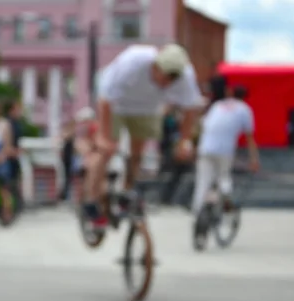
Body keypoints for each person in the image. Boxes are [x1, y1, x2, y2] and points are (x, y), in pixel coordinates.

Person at [84, 44, 204, 229]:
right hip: (116, 104)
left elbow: (189, 110)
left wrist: (184, 141)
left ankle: (126, 191)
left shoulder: (185, 75)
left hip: (146, 109)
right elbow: (105, 100)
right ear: (155, 66)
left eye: (172, 80)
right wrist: (104, 138)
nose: (166, 84)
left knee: (137, 154)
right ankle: (91, 201)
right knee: (105, 151)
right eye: (164, 77)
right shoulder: (134, 61)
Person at [190, 85, 260, 220]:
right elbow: (250, 138)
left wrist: (194, 147)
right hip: (224, 149)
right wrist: (254, 160)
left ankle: (197, 213)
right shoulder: (245, 110)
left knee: (203, 181)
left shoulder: (217, 105)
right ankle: (225, 200)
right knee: (223, 177)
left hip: (205, 147)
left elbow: (204, 126)